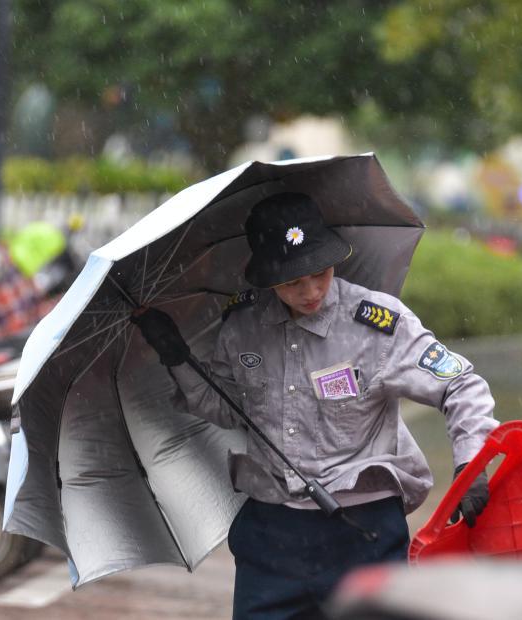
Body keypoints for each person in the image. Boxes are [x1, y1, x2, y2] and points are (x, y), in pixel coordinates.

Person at [137, 192, 498, 619]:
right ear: (268, 278)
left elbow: (460, 385)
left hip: (362, 532)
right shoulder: (242, 329)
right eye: (292, 282)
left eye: (320, 272)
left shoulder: (377, 325)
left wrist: (470, 465)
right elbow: (228, 409)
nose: (311, 291)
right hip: (271, 536)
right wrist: (177, 358)